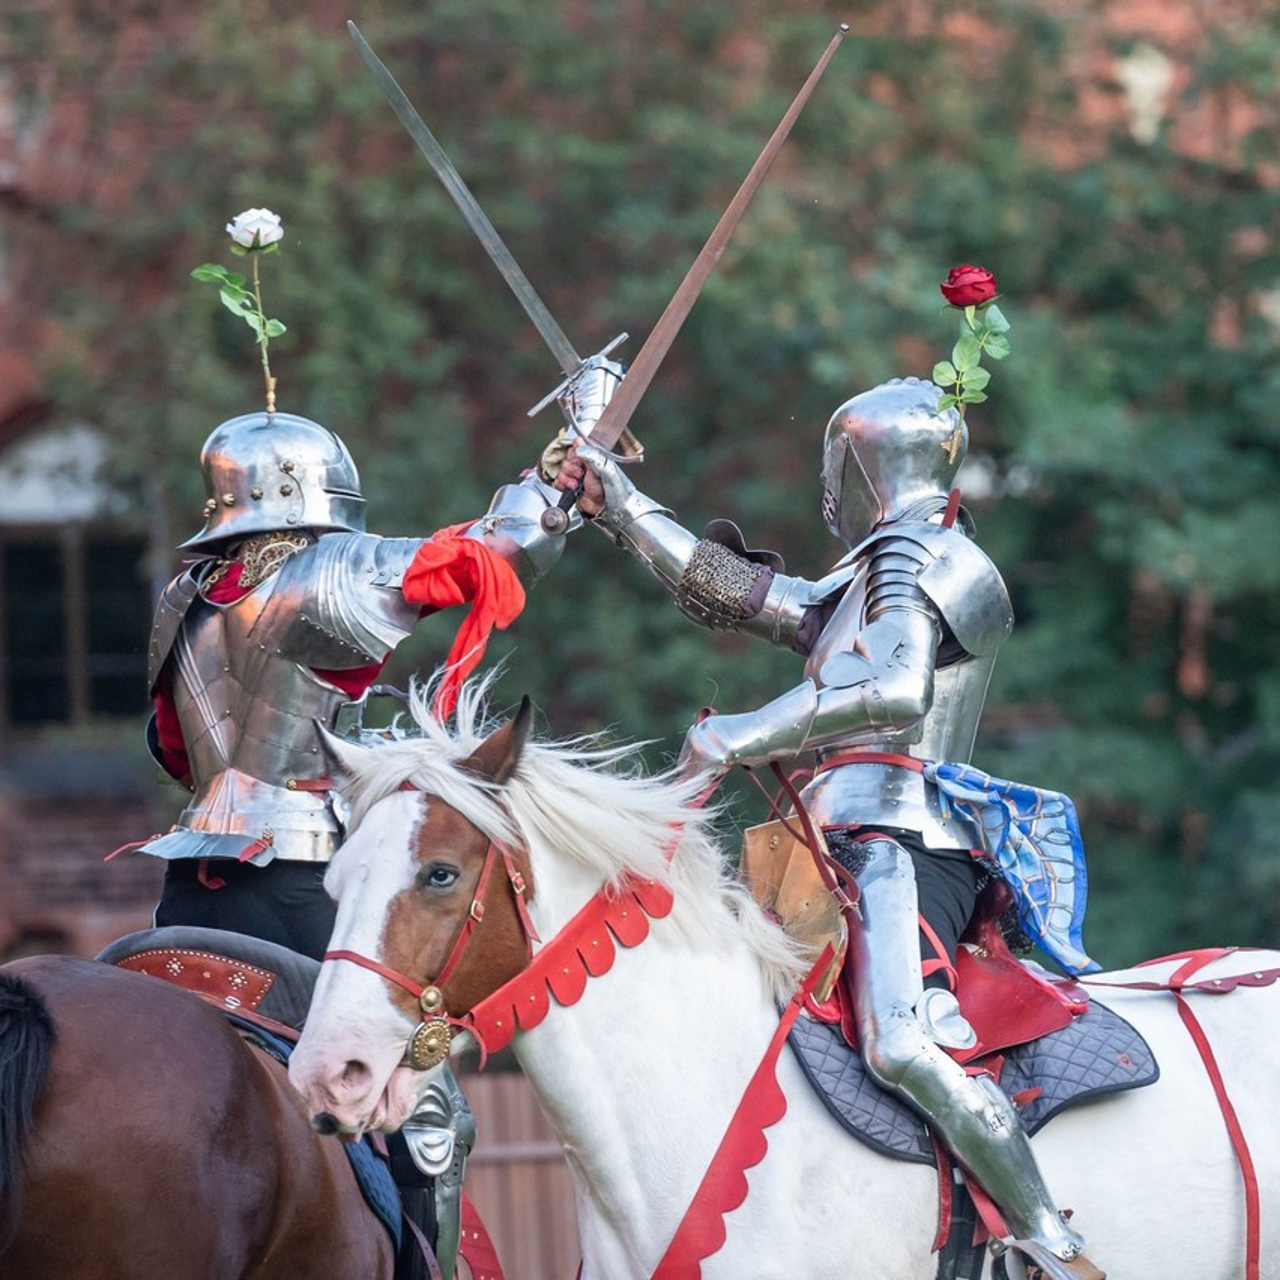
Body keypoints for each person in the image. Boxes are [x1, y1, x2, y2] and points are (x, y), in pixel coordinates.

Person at [557, 375, 1104, 1280]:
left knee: (902, 1042)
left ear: (860, 463)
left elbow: (895, 690)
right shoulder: (870, 578)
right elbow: (741, 592)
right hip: (824, 846)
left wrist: (740, 733)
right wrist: (620, 505)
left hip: (901, 841)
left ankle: (1050, 1242)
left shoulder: (929, 557)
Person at [134, 375, 613, 1280]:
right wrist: (561, 470)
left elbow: (167, 746)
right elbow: (487, 558)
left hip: (188, 880)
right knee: (419, 1109)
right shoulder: (324, 575)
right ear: (314, 493)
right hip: (305, 879)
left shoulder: (187, 595)